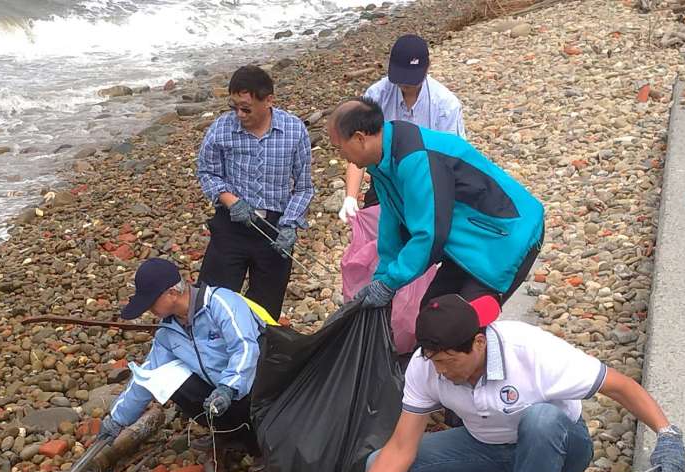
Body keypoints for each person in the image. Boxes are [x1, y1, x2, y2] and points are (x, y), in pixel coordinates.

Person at [300, 294, 685, 472]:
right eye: (435, 362)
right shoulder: (426, 367)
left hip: (561, 447)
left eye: (451, 361)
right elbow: (402, 448)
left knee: (541, 420)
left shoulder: (531, 352)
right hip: (487, 448)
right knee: (378, 468)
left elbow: (619, 386)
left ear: (479, 342)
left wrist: (667, 435)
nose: (444, 372)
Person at [328, 97, 545, 317]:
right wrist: (382, 278)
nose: (341, 156)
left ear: (359, 138)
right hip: (466, 241)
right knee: (431, 315)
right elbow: (391, 223)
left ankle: (498, 348)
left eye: (339, 148)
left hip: (506, 237)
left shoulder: (416, 159)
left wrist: (390, 283)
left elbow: (429, 234)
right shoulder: (382, 161)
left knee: (459, 326)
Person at [99, 258, 271, 453]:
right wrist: (116, 420)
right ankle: (232, 433)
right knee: (164, 378)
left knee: (263, 418)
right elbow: (146, 377)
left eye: (151, 302)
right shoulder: (168, 333)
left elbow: (245, 348)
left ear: (172, 293)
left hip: (261, 390)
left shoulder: (220, 303)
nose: (149, 309)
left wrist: (228, 388)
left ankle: (262, 440)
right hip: (224, 398)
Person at [197, 65, 315, 321]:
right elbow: (207, 172)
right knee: (211, 303)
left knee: (264, 313)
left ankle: (256, 357)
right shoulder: (221, 129)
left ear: (269, 100)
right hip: (232, 224)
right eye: (234, 107)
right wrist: (230, 200)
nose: (239, 114)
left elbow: (304, 188)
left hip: (274, 230)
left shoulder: (294, 130)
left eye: (246, 108)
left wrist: (290, 225)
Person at [339, 34, 466, 223]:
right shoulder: (377, 95)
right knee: (376, 233)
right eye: (400, 77)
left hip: (429, 181)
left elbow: (453, 161)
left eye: (411, 78)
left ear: (427, 68)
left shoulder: (445, 105)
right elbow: (358, 147)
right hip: (384, 178)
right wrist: (350, 196)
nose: (405, 84)